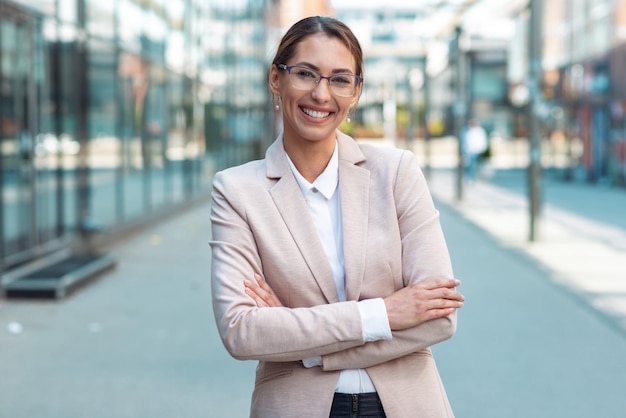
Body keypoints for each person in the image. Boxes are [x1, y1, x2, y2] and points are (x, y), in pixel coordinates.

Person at [210, 16, 464, 418]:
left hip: (408, 404)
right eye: (306, 74)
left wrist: (308, 349)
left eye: (340, 79)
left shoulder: (396, 172)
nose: (321, 94)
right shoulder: (238, 190)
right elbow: (243, 331)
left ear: (356, 91)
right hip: (296, 406)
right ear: (276, 79)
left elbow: (439, 317)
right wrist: (385, 313)